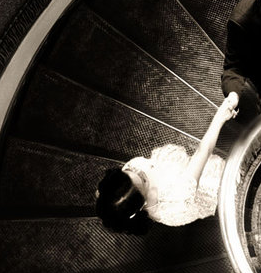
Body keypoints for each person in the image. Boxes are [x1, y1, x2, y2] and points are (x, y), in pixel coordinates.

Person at [95, 92, 240, 234]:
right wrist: (220, 116)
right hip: (214, 183)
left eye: (129, 172)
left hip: (192, 167)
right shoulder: (176, 201)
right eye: (143, 180)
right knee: (236, 183)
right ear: (141, 203)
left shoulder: (131, 169)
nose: (140, 170)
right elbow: (203, 151)